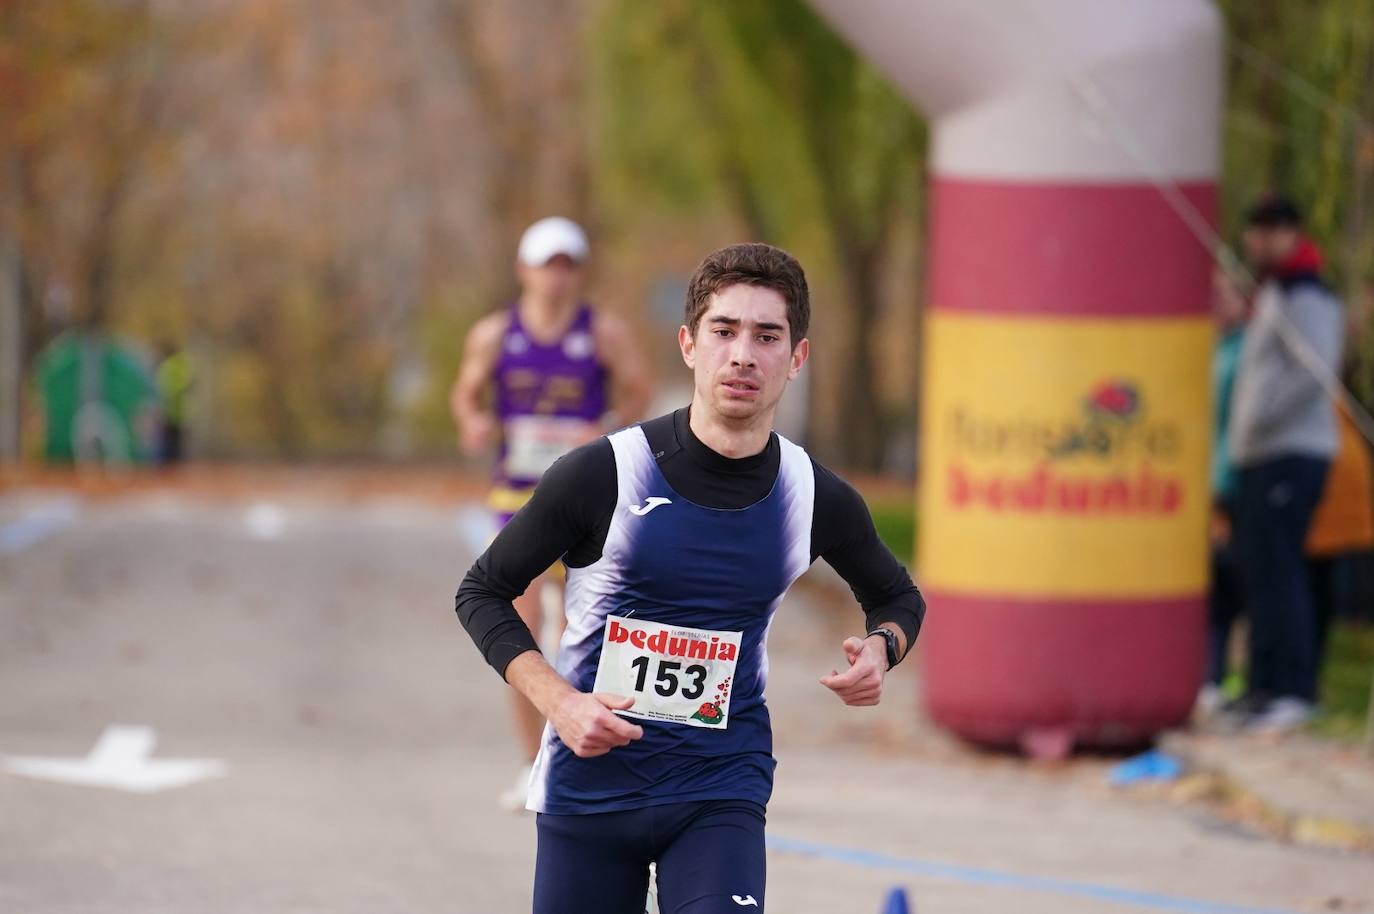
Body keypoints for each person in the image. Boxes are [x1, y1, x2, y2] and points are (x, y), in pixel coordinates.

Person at [455, 242, 925, 914]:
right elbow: (482, 592)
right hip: (590, 791)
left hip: (719, 791)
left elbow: (896, 596)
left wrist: (882, 648)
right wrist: (558, 701)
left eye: (767, 337)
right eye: (724, 331)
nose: (743, 355)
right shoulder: (604, 473)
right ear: (688, 345)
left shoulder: (812, 495)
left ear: (797, 358)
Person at [449, 216, 651, 809]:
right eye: (546, 265)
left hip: (586, 499)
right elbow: (466, 393)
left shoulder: (602, 333)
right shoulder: (495, 334)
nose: (556, 277)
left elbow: (638, 390)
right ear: (523, 270)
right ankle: (531, 763)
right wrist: (473, 421)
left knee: (585, 631)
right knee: (523, 623)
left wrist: (605, 426)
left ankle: (583, 753)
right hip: (517, 497)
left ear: (579, 272)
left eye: (567, 265)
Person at [1225, 196, 1345, 733]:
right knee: (1259, 573)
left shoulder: (1306, 294)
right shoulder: (1271, 291)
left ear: (1288, 233)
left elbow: (1313, 372)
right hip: (1260, 453)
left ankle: (1293, 688)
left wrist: (1262, 418)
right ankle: (1262, 686)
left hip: (1291, 450)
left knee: (1282, 571)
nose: (1254, 242)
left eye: (1265, 231)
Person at [1198, 263, 1248, 715]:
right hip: (1203, 481)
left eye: (1225, 296)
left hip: (1229, 481)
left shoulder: (1243, 350)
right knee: (1214, 583)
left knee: (1228, 582)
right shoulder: (1207, 350)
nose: (1216, 305)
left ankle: (1220, 675)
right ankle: (1211, 675)